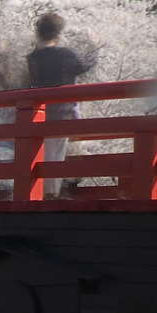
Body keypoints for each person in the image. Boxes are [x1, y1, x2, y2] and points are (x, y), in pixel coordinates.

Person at [27, 13, 94, 198]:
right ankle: (50, 195)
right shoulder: (65, 55)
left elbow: (32, 84)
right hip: (63, 112)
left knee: (44, 153)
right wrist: (93, 45)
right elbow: (85, 66)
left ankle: (43, 193)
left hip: (38, 113)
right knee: (56, 154)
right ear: (58, 33)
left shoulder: (33, 58)